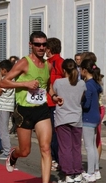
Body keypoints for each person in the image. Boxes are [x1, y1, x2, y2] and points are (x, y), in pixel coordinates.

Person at [0, 31, 63, 183]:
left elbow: (47, 87)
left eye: (44, 45)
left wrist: (54, 96)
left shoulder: (48, 65)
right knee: (25, 151)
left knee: (45, 148)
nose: (41, 48)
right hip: (24, 110)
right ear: (31, 45)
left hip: (41, 110)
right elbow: (3, 82)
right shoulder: (23, 63)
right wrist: (25, 84)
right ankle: (14, 155)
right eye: (38, 44)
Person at [54, 59, 87, 183]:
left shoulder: (58, 82)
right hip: (77, 117)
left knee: (65, 148)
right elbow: (82, 98)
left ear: (63, 70)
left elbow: (55, 93)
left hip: (62, 118)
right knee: (76, 147)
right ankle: (77, 172)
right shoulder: (82, 83)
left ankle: (68, 174)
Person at [80, 59, 103, 182]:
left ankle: (90, 172)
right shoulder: (95, 83)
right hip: (95, 116)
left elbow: (86, 104)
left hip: (88, 117)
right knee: (93, 145)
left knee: (89, 146)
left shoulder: (87, 85)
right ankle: (96, 170)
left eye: (80, 69)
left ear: (84, 70)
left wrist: (80, 103)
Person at [46, 37, 64, 171]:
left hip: (56, 103)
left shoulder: (60, 63)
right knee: (49, 133)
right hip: (46, 103)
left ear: (50, 49)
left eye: (45, 48)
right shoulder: (45, 63)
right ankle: (52, 158)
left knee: (55, 134)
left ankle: (57, 159)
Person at [0, 60, 15, 160]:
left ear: (4, 70)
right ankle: (6, 150)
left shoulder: (7, 80)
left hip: (4, 107)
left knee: (3, 130)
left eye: (0, 70)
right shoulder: (11, 79)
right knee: (3, 129)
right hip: (6, 106)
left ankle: (7, 151)